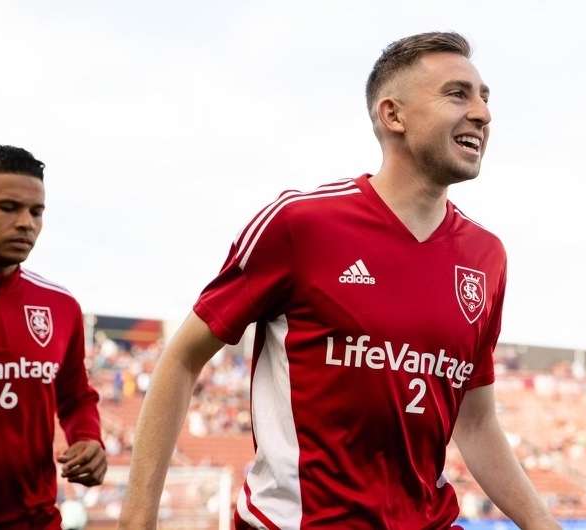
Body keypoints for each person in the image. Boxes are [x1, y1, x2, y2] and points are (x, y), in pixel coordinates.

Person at [120, 32, 559, 529]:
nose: (482, 112)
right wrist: (137, 521)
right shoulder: (300, 224)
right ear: (393, 115)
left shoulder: (486, 256)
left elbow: (476, 421)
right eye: (458, 94)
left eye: (484, 97)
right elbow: (182, 358)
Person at [0, 145, 106, 529]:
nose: (26, 223)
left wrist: (88, 439)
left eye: (36, 212)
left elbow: (76, 397)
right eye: (8, 207)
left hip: (36, 520)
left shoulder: (59, 305)